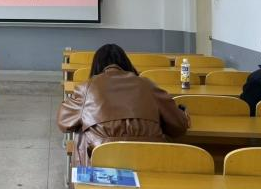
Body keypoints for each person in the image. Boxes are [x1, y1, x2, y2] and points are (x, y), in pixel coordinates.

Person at [57, 44, 190, 167]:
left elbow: (64, 122)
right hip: (148, 165)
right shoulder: (147, 85)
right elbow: (179, 126)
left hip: (100, 167)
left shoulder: (88, 88)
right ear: (127, 63)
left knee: (83, 129)